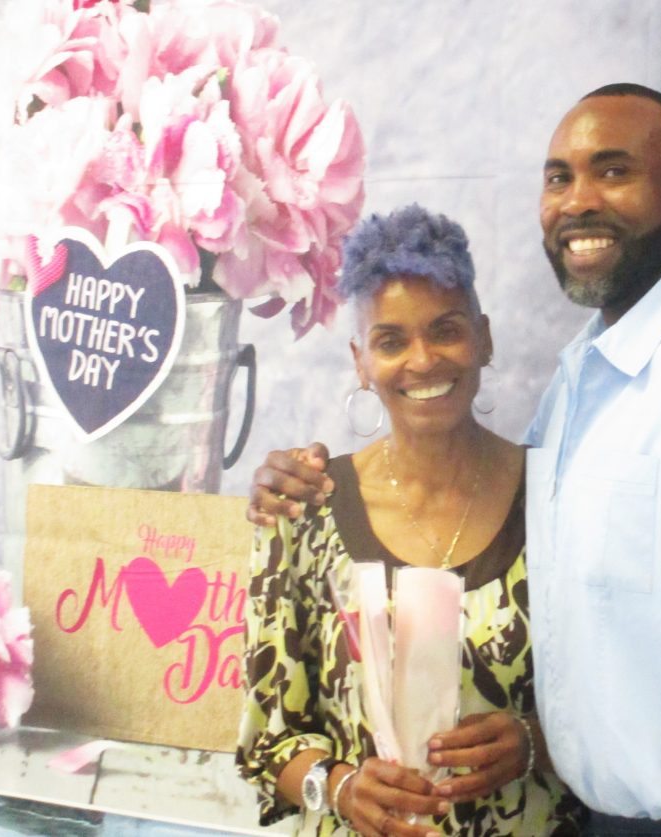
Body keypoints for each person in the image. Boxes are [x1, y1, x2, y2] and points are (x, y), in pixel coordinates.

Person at [247, 84, 661, 836]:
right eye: (559, 178)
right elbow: (621, 651)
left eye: (613, 171)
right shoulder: (583, 382)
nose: (578, 200)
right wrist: (532, 740)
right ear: (360, 359)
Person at [235, 204, 586, 836]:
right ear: (360, 361)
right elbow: (267, 742)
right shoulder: (304, 508)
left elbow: (624, 706)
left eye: (445, 330)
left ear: (484, 338)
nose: (423, 361)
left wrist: (535, 742)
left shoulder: (559, 500)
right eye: (391, 341)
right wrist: (339, 787)